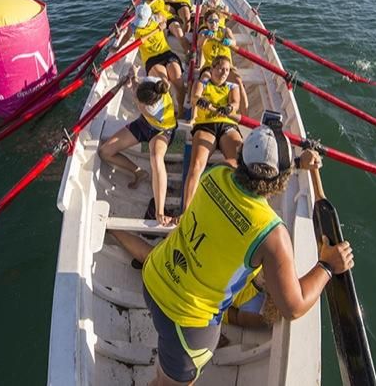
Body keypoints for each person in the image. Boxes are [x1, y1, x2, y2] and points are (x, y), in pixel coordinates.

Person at [142, 124, 354, 385]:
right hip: (187, 321)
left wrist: (298, 163)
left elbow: (241, 169)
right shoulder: (272, 235)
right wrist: (327, 265)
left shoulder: (214, 173)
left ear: (241, 157)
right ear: (283, 179)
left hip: (154, 277)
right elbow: (294, 307)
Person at [108, 229, 279, 329]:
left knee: (152, 256)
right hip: (204, 273)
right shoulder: (267, 279)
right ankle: (115, 230)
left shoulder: (261, 314)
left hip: (202, 279)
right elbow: (227, 315)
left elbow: (228, 315)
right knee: (151, 256)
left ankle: (114, 229)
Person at [98, 71, 178, 226]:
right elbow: (137, 88)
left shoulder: (150, 109)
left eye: (138, 101)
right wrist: (133, 78)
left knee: (156, 158)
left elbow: (136, 96)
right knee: (104, 152)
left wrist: (131, 87)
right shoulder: (151, 82)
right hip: (143, 124)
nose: (135, 100)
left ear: (148, 103)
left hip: (163, 131)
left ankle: (159, 210)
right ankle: (138, 172)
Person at [181, 55, 242, 211]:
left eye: (227, 70)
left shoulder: (232, 87)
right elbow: (195, 97)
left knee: (239, 165)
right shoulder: (202, 83)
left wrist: (229, 108)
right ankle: (186, 212)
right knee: (196, 166)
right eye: (220, 68)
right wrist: (200, 101)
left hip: (227, 125)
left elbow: (235, 103)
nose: (223, 73)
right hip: (205, 125)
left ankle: (238, 206)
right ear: (212, 68)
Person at [114, 2, 186, 116]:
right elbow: (126, 38)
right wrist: (117, 47)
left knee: (180, 84)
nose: (141, 24)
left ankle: (181, 110)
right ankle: (167, 111)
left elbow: (166, 18)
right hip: (152, 59)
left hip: (167, 53)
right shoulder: (133, 26)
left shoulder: (157, 18)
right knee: (164, 85)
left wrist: (164, 24)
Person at [196, 9, 249, 116]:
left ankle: (244, 117)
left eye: (216, 20)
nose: (214, 23)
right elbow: (199, 45)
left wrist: (229, 42)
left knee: (238, 81)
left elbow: (234, 43)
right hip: (210, 66)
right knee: (204, 80)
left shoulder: (225, 31)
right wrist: (206, 37)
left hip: (226, 66)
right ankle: (196, 115)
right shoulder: (203, 33)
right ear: (206, 23)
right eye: (210, 21)